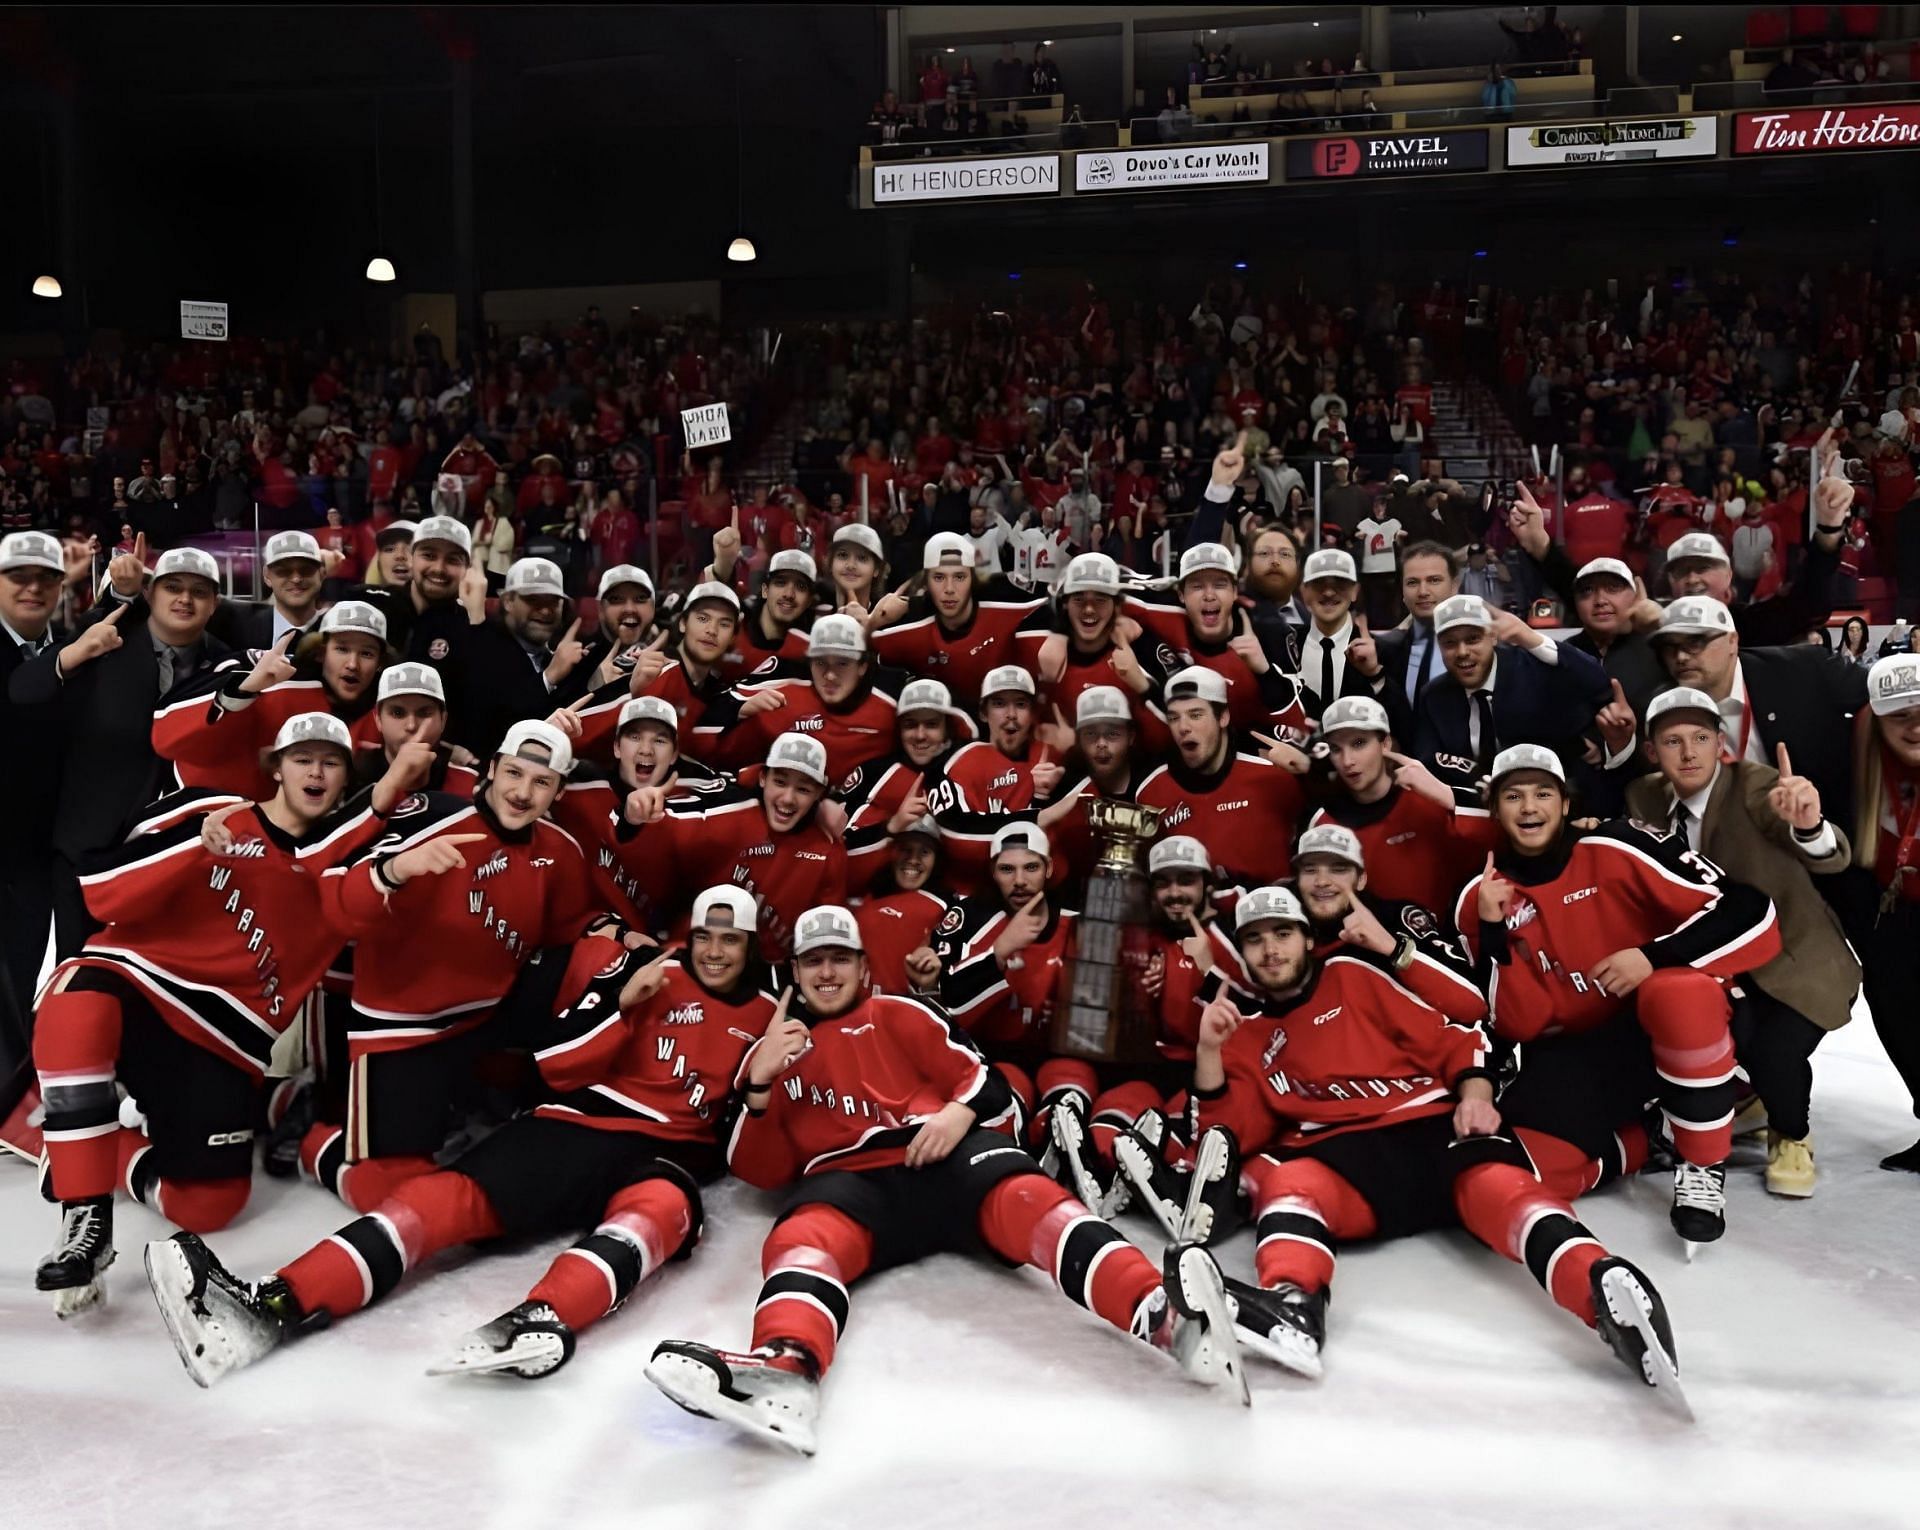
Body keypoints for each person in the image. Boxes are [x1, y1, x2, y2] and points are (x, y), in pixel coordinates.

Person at [643, 903, 1245, 1457]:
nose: (827, 972)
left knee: (1031, 1198)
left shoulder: (901, 1011)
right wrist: (760, 1085)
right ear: (795, 973)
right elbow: (758, 1170)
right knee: (801, 1239)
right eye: (814, 961)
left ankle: (1164, 1315)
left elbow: (987, 1083)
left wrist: (959, 1114)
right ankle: (786, 1373)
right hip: (850, 1183)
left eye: (840, 958)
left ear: (861, 966)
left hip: (946, 1157)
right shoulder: (774, 1050)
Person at [142, 889, 780, 1386]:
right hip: (575, 1125)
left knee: (660, 1214)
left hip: (668, 1157)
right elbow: (555, 1065)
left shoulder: (775, 1012)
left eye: (731, 939)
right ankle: (272, 1305)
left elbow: (758, 1149)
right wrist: (619, 1005)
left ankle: (546, 1318)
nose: (716, 951)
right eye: (705, 937)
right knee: (431, 1204)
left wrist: (761, 1081)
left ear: (751, 946)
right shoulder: (643, 972)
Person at [1159, 883, 1686, 1405]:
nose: (1271, 949)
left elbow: (1455, 1036)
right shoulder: (1243, 1033)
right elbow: (1227, 1138)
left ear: (1305, 937)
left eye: (1282, 933)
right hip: (1344, 1160)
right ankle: (1294, 1307)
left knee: (1506, 1189)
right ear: (1242, 954)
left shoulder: (1353, 974)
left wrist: (1476, 1095)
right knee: (1290, 1183)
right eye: (1255, 940)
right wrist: (1209, 1050)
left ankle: (1602, 1291)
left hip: (1432, 1131)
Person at [32, 714, 412, 1314]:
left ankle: (90, 1146)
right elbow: (100, 892)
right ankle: (85, 1217)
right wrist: (192, 845)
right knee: (76, 1003)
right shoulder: (211, 809)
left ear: (347, 778)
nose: (315, 771)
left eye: (331, 761)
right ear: (276, 766)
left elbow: (358, 904)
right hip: (140, 982)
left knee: (209, 1205)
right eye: (302, 758)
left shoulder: (343, 861)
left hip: (222, 1038)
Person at [1456, 745, 1782, 1252]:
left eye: (1543, 793)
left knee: (1676, 993)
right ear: (1495, 809)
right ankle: (1644, 1137)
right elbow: (1517, 1023)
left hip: (1677, 1020)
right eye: (1513, 796)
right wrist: (1493, 932)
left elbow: (1750, 910)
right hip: (1591, 1049)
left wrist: (1652, 957)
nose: (1528, 808)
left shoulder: (1618, 842)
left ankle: (1701, 1160)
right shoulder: (1482, 896)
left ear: (1565, 804)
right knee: (1522, 1165)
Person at [301, 719, 599, 1211]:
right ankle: (317, 1141)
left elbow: (568, 930)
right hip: (403, 1023)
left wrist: (610, 931)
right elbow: (334, 903)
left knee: (600, 960)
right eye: (514, 774)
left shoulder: (560, 850)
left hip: (486, 1017)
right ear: (491, 771)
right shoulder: (431, 816)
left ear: (559, 790)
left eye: (542, 782)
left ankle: (501, 1088)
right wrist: (393, 871)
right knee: (387, 1193)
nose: (523, 793)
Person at [1624, 689, 1859, 1196]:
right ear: (1653, 752)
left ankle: (1792, 1134)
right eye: (1673, 741)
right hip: (1722, 963)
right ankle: (1750, 1098)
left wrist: (1810, 826)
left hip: (1797, 961)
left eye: (1701, 738)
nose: (1688, 753)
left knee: (1774, 1053)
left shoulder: (1757, 788)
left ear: (1720, 745)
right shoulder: (1644, 796)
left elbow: (1830, 854)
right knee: (1700, 1032)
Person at [11, 545, 233, 958]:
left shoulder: (227, 663)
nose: (185, 599)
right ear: (150, 594)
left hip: (174, 852)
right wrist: (72, 653)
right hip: (88, 846)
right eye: (173, 587)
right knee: (82, 976)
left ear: (215, 602)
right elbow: (24, 690)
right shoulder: (106, 638)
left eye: (199, 591)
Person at [1648, 595, 1869, 833]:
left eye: (1695, 643)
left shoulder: (1804, 671)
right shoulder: (1662, 706)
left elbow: (1879, 693)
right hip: (1720, 846)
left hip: (1819, 833)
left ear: (1733, 641)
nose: (1680, 657)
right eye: (1669, 647)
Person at [619, 731, 847, 960]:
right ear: (762, 778)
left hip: (764, 977)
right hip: (689, 957)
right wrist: (634, 816)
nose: (788, 798)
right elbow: (651, 830)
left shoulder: (828, 852)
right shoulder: (728, 812)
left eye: (803, 789)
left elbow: (820, 938)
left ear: (818, 793)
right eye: (780, 782)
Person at [152, 600, 390, 799]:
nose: (352, 664)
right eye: (342, 649)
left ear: (380, 663)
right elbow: (166, 735)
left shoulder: (389, 710)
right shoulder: (272, 672)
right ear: (320, 652)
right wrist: (244, 689)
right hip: (201, 815)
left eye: (366, 653)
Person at [1305, 696, 1495, 914]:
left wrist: (1451, 798)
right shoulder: (1322, 823)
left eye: (1359, 743)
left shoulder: (1429, 802)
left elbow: (1500, 844)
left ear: (1385, 743)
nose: (1348, 761)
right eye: (1336, 749)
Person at [1413, 594, 1625, 785]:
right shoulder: (1434, 695)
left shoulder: (1530, 669)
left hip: (1553, 798)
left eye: (1473, 639)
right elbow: (1429, 760)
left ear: (1493, 637)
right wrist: (1483, 781)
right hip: (1473, 804)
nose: (1462, 652)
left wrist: (1529, 636)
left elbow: (1598, 682)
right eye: (1450, 643)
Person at [1846, 652, 1920, 1170]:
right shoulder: (1859, 770)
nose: (1913, 726)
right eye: (1900, 715)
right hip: (1894, 916)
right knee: (1898, 1015)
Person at [1137, 666, 1305, 887]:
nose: (1183, 727)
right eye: (1174, 718)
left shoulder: (1274, 776)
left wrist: (1308, 773)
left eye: (1195, 715)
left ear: (1223, 716)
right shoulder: (1151, 793)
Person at [0, 531, 68, 1068]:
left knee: (26, 971)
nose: (32, 588)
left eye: (45, 578)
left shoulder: (77, 650)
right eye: (18, 577)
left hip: (45, 849)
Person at [867, 532, 1046, 708]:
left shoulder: (1004, 597)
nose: (949, 588)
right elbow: (858, 653)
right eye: (939, 577)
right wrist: (872, 622)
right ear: (926, 582)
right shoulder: (911, 627)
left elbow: (1060, 597)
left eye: (959, 577)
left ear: (972, 578)